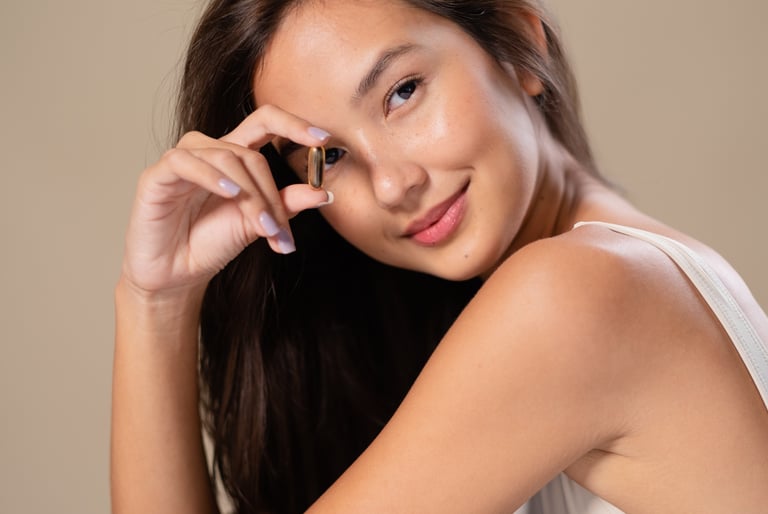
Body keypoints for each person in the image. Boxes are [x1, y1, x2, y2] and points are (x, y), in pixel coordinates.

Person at [110, 0, 768, 512]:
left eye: (402, 92)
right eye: (330, 156)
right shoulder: (631, 273)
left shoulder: (574, 293)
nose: (393, 184)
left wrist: (149, 305)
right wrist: (157, 298)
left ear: (518, 39)